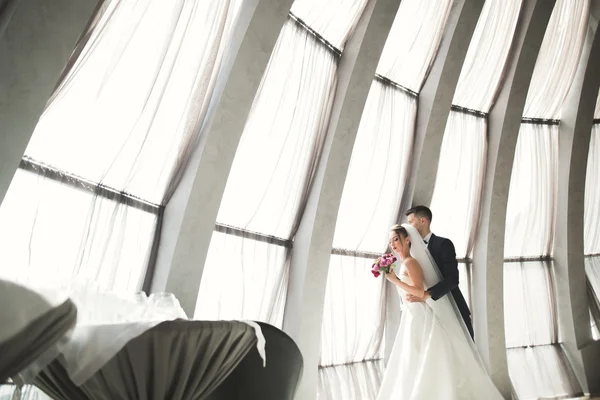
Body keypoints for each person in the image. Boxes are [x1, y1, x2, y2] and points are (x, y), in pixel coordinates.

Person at [376, 224, 503, 399]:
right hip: (411, 316)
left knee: (422, 360)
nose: (393, 244)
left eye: (396, 239)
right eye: (390, 242)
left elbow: (420, 291)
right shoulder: (404, 263)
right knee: (412, 362)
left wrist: (396, 281)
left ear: (407, 239)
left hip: (419, 317)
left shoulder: (411, 262)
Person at [405, 205, 473, 339]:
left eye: (411, 222)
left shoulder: (443, 244)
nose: (408, 227)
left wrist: (427, 294)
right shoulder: (410, 250)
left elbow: (453, 279)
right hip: (427, 313)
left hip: (453, 309)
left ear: (423, 221)